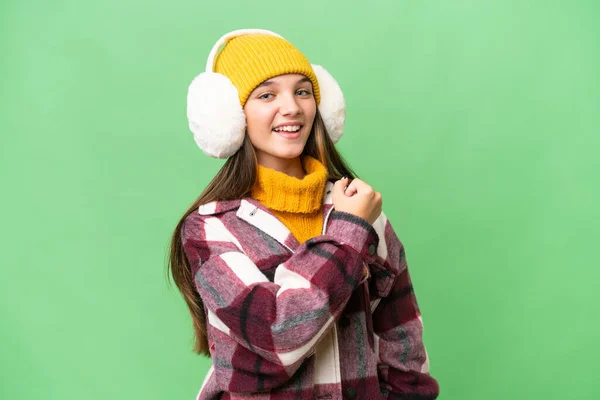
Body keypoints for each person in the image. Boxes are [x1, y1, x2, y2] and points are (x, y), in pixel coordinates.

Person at [169, 28, 440, 400]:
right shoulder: (211, 229)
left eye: (302, 91)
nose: (293, 108)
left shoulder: (360, 211)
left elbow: (402, 342)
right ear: (230, 116)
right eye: (267, 95)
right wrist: (347, 234)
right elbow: (278, 334)